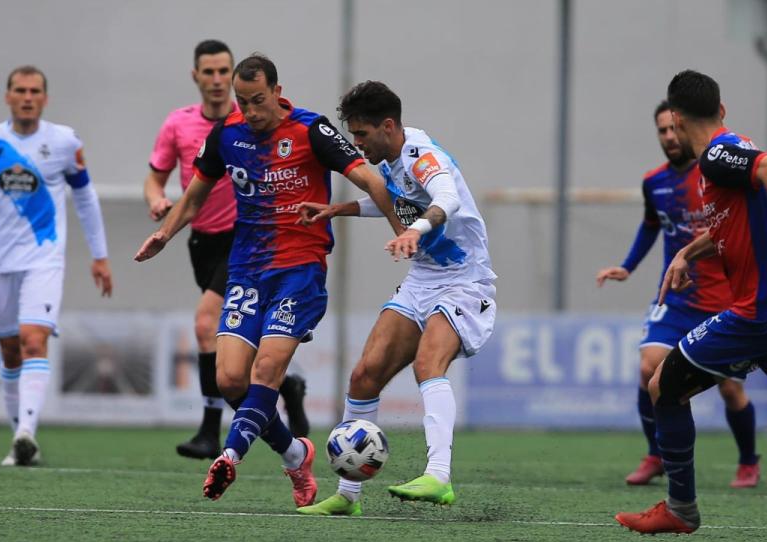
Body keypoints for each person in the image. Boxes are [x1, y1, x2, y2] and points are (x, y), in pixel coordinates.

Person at [135, 54, 401, 507]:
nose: (251, 111)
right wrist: (164, 233)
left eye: (258, 101)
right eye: (243, 102)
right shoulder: (227, 134)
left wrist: (404, 232)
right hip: (247, 269)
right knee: (231, 379)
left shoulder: (311, 129)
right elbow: (194, 199)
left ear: (277, 91)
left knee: (266, 371)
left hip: (299, 269)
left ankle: (230, 455)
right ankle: (297, 454)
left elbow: (370, 181)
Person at [615, 70, 767, 534]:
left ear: (678, 119)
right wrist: (688, 252)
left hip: (759, 310)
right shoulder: (733, 145)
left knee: (662, 387)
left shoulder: (714, 156)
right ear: (722, 110)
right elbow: (738, 221)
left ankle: (680, 509)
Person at [294, 81, 497, 516]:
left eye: (362, 134)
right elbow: (389, 202)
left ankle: (438, 477)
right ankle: (347, 497)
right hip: (424, 278)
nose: (357, 144)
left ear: (388, 126)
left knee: (428, 363)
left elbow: (448, 200)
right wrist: (335, 210)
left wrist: (414, 232)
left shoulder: (421, 156)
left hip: (466, 281)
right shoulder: (390, 161)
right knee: (364, 375)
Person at [0, 65, 113, 466]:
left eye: (35, 90)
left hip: (44, 259)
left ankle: (26, 432)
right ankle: (21, 446)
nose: (27, 97)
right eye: (20, 90)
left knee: (35, 339)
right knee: (10, 350)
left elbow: (85, 199)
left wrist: (99, 255)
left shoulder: (65, 142)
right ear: (8, 96)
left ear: (45, 98)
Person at [144, 40, 309, 461]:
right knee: (231, 344)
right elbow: (156, 178)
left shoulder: (252, 124)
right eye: (209, 72)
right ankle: (285, 390)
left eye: (224, 72)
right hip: (202, 241)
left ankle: (209, 430)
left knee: (204, 324)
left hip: (245, 240)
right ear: (195, 76)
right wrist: (158, 204)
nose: (217, 80)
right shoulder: (178, 124)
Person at [596, 101, 760, 488]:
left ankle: (748, 460)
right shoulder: (654, 181)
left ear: (687, 128)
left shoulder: (717, 174)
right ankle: (657, 454)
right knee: (647, 368)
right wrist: (628, 265)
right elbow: (651, 225)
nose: (669, 137)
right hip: (676, 299)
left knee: (730, 388)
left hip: (724, 301)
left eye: (674, 129)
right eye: (662, 131)